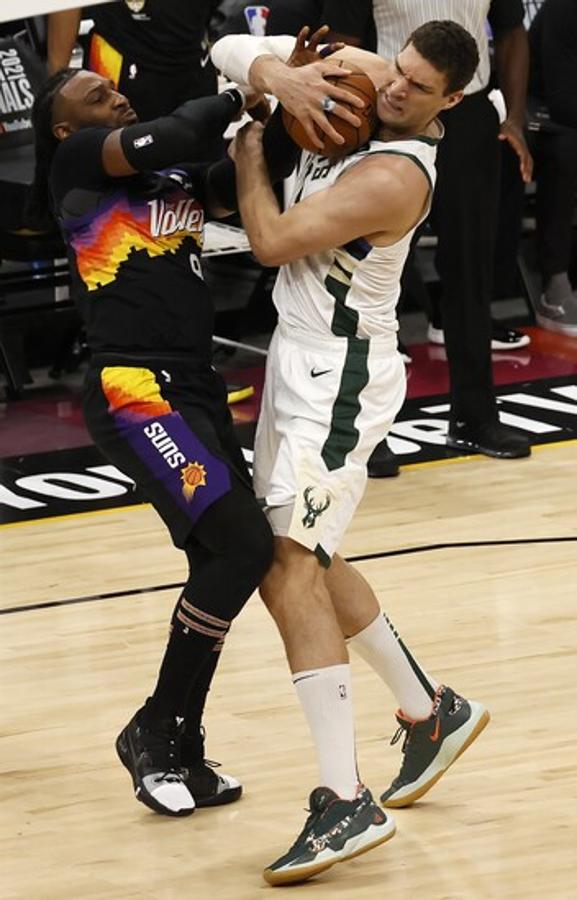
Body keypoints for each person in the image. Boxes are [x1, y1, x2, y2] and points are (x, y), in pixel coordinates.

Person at [30, 44, 364, 818]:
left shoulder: (167, 179)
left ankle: (174, 740)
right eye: (93, 93)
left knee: (224, 563)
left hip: (196, 387)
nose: (114, 98)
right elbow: (179, 133)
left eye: (115, 89)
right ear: (59, 126)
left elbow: (233, 175)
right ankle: (157, 727)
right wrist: (256, 80)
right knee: (245, 546)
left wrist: (287, 113)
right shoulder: (77, 164)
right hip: (135, 389)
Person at [212, 22, 490, 885]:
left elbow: (267, 241)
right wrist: (277, 75)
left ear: (452, 104)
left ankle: (344, 799)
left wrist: (250, 142)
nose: (395, 91)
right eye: (396, 72)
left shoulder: (392, 177)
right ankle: (427, 710)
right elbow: (225, 45)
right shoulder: (372, 75)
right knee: (314, 558)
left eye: (417, 88)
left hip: (337, 378)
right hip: (298, 363)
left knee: (285, 565)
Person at [341, 0, 534, 468]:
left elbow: (511, 32)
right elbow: (345, 42)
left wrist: (514, 117)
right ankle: (364, 428)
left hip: (469, 115)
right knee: (370, 276)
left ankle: (475, 417)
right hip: (391, 108)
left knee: (470, 269)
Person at [47, 1, 219, 120]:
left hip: (194, 64)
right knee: (126, 160)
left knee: (206, 162)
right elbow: (66, 8)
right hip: (123, 68)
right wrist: (57, 91)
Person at [527, 0, 577, 335]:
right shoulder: (564, 9)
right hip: (535, 110)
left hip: (567, 108)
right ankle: (554, 283)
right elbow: (563, 99)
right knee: (567, 150)